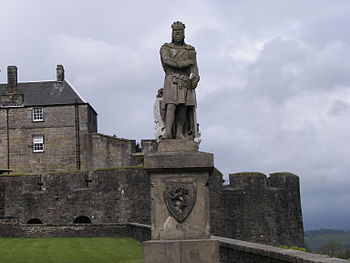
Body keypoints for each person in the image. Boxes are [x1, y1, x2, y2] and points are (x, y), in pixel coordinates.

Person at [160, 21, 200, 139]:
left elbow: (195, 67)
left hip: (184, 81)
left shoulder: (190, 50)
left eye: (180, 31)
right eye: (175, 31)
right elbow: (167, 61)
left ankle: (179, 133)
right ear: (172, 33)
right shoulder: (165, 48)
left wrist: (196, 78)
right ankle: (168, 132)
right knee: (171, 105)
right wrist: (185, 63)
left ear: (184, 33)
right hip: (172, 79)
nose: (177, 33)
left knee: (182, 107)